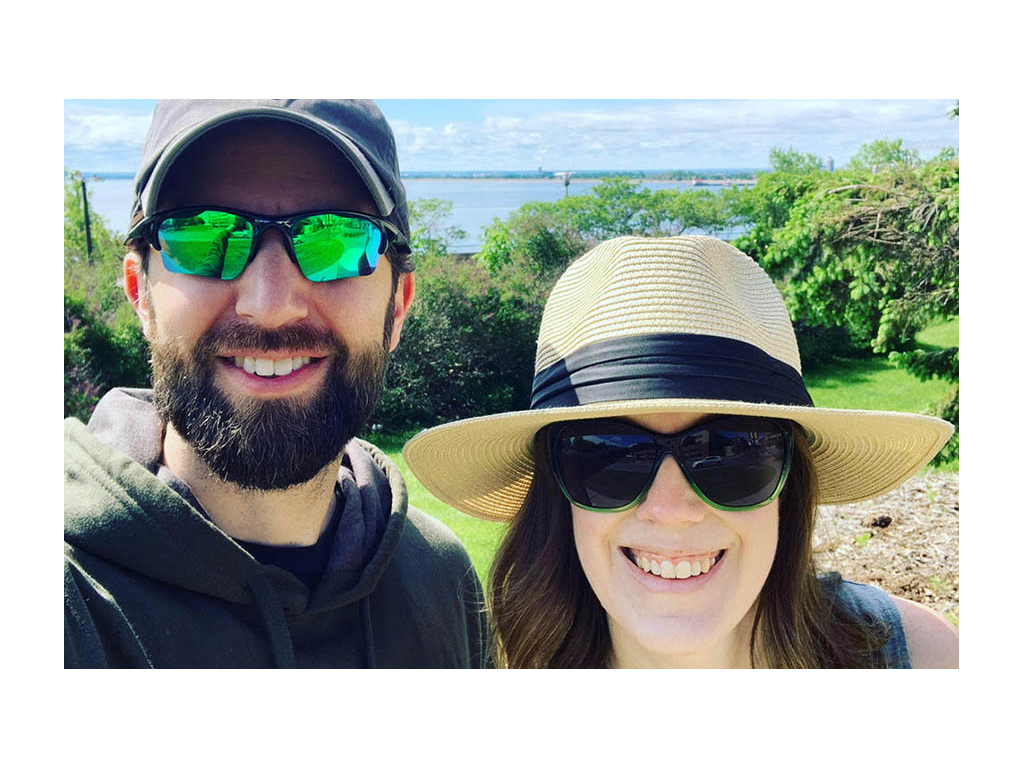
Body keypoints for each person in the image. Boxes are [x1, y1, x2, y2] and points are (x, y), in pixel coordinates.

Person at [64, 100, 488, 668]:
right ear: (141, 293)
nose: (269, 307)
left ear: (399, 305)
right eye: (204, 237)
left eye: (335, 240)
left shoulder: (439, 579)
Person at [403, 235, 958, 668]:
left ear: (792, 480)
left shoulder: (924, 662)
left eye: (733, 451)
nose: (670, 509)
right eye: (606, 455)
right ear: (556, 490)